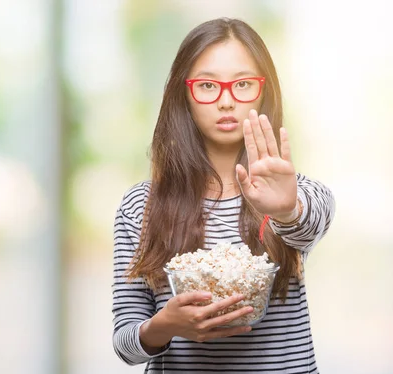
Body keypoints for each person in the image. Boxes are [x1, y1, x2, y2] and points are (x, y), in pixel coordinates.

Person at [112, 17, 335, 373]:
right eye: (207, 85)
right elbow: (127, 345)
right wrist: (164, 326)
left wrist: (287, 210)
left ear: (265, 91)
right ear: (184, 94)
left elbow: (308, 222)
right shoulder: (141, 206)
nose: (227, 101)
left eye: (243, 84)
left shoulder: (294, 194)